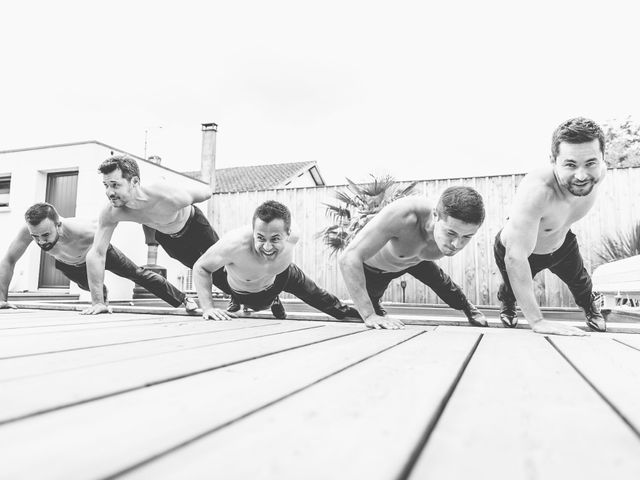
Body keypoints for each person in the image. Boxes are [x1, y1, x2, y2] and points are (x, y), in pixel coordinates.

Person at [495, 117, 608, 336]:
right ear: (553, 160)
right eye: (570, 164)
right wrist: (537, 321)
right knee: (512, 286)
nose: (582, 175)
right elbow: (515, 257)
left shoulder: (600, 174)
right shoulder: (537, 192)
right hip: (520, 248)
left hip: (561, 242)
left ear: (602, 158)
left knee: (582, 283)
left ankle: (590, 309)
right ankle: (507, 303)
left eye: (591, 163)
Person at [0, 203, 196, 311]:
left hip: (101, 253)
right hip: (68, 263)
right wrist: (2, 299)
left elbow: (99, 251)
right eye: (36, 237)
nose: (41, 242)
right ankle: (101, 292)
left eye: (45, 235)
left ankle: (184, 300)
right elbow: (9, 260)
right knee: (87, 285)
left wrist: (98, 303)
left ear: (58, 224)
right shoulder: (27, 232)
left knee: (138, 274)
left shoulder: (86, 231)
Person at [84, 155, 217, 315]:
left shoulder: (166, 195)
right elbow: (97, 253)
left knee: (221, 265)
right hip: (169, 238)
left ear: (134, 182)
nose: (109, 192)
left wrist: (207, 189)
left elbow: (206, 193)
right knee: (203, 269)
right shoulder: (112, 212)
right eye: (106, 185)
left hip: (195, 225)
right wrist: (98, 302)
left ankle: (241, 300)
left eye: (115, 185)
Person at [339, 187, 487, 330]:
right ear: (435, 215)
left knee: (443, 283)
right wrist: (370, 315)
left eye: (467, 237)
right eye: (451, 233)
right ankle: (376, 309)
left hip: (415, 262)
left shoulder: (450, 231)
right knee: (372, 313)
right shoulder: (403, 215)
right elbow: (348, 258)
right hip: (375, 270)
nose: (457, 244)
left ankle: (468, 307)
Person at [193, 200, 360, 321]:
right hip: (248, 291)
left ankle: (353, 314)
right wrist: (208, 308)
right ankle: (265, 300)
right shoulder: (233, 244)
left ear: (288, 234)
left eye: (274, 239)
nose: (266, 247)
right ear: (253, 232)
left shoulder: (294, 234)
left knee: (316, 293)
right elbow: (201, 267)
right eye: (260, 238)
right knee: (259, 306)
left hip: (281, 274)